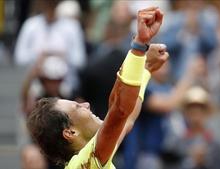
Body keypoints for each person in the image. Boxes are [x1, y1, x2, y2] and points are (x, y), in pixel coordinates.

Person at [27, 7, 168, 169]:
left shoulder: (93, 158)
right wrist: (139, 46)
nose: (86, 104)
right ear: (70, 132)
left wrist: (145, 70)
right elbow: (120, 111)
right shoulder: (81, 164)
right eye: (77, 107)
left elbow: (125, 118)